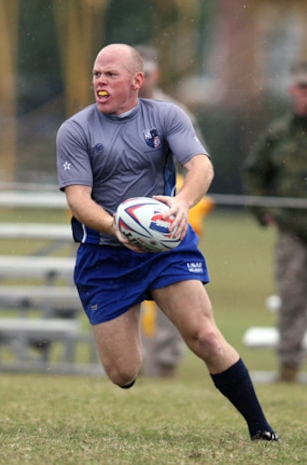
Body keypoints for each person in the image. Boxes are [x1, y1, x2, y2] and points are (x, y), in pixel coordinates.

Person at [56, 43, 278, 441]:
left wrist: (182, 202)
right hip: (105, 256)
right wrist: (116, 227)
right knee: (123, 373)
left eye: (110, 75)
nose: (100, 82)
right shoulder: (76, 129)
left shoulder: (167, 116)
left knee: (205, 336)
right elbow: (77, 199)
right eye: (96, 74)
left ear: (137, 81)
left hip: (165, 247)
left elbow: (201, 166)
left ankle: (261, 429)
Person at [135, 45, 215, 378]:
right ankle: (132, 363)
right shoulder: (105, 110)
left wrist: (178, 202)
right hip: (123, 218)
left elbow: (198, 163)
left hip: (166, 215)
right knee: (124, 289)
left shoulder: (175, 112)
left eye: (149, 73)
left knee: (172, 287)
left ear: (155, 74)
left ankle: (165, 363)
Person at [242, 60, 307, 384]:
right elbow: (254, 174)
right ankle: (289, 368)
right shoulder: (278, 134)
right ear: (292, 90)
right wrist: (264, 210)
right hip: (292, 231)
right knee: (292, 298)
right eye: (303, 88)